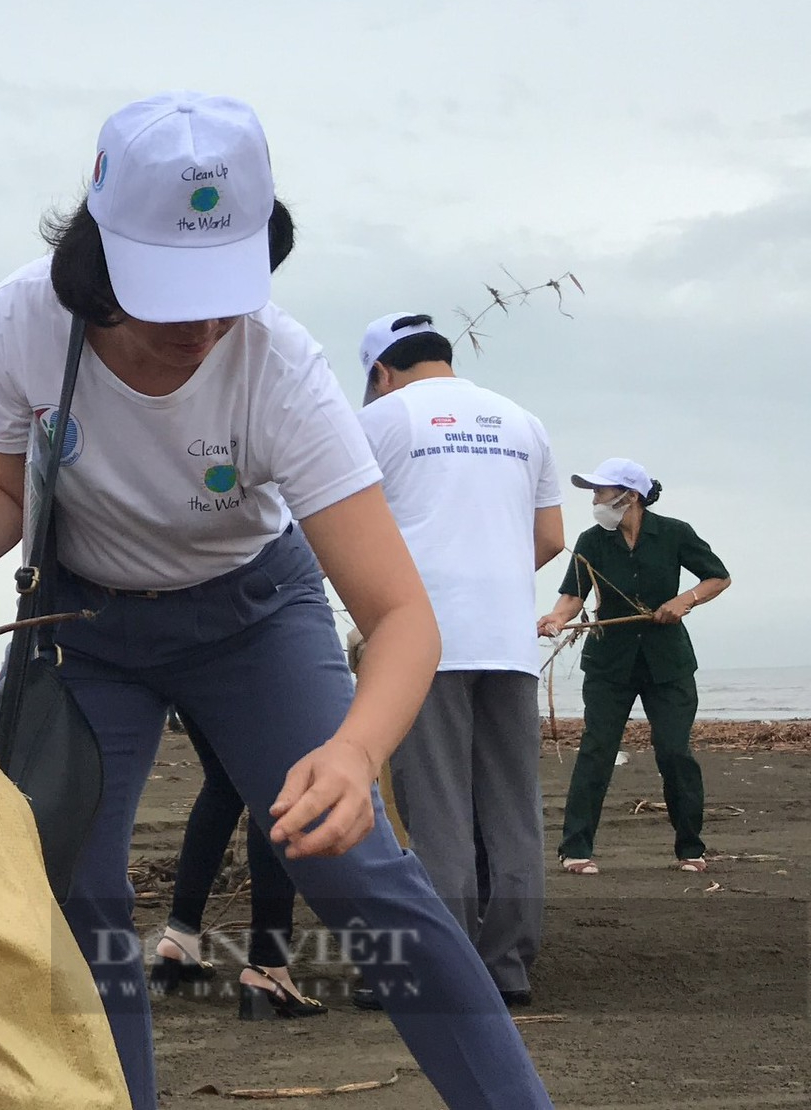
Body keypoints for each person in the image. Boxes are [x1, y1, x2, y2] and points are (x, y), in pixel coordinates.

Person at [0, 93, 556, 1110]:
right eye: (167, 293)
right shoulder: (20, 321)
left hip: (250, 615)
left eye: (222, 290)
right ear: (98, 263)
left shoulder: (278, 367)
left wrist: (357, 755)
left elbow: (400, 614)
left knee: (352, 859)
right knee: (72, 886)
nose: (198, 327)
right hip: (83, 631)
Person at [354, 312, 566, 1007]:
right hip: (508, 639)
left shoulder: (383, 422)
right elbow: (551, 535)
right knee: (512, 807)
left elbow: (342, 526)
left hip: (425, 639)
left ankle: (445, 967)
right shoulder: (522, 421)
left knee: (437, 805)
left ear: (380, 372)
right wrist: (497, 577)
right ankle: (508, 964)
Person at [147, 204, 323, 1022]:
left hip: (178, 615)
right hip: (249, 615)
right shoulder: (281, 385)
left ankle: (180, 935)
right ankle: (270, 966)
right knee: (276, 784)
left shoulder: (267, 368)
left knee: (226, 782)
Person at [539, 460, 729, 874]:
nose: (594, 500)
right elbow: (573, 596)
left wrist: (685, 600)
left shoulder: (675, 533)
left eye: (600, 492)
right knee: (596, 750)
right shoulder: (592, 540)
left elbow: (718, 577)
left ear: (631, 496)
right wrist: (555, 618)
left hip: (669, 664)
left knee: (675, 752)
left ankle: (690, 850)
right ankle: (575, 849)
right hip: (609, 664)